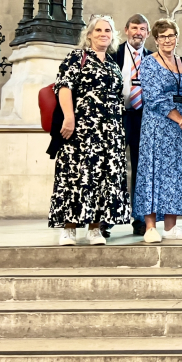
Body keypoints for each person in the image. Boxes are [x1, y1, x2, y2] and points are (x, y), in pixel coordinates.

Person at [48, 15, 130, 246]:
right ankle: (69, 229)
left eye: (108, 31)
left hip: (110, 132)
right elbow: (64, 86)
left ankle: (95, 229)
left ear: (113, 36)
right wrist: (69, 117)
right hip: (83, 129)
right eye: (99, 30)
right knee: (77, 176)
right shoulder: (78, 57)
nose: (104, 34)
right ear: (90, 34)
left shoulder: (113, 64)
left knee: (103, 179)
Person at [133, 19, 182, 243]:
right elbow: (153, 97)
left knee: (177, 174)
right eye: (162, 36)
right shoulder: (149, 63)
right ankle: (150, 226)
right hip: (158, 125)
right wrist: (179, 119)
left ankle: (171, 227)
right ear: (155, 39)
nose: (167, 40)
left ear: (177, 37)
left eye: (171, 35)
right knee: (153, 172)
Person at [108, 14, 152, 237]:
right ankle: (107, 219)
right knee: (113, 167)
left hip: (143, 117)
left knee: (140, 169)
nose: (138, 32)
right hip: (118, 116)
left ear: (148, 33)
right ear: (126, 30)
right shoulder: (112, 54)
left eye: (142, 29)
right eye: (134, 28)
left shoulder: (153, 58)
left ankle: (139, 218)